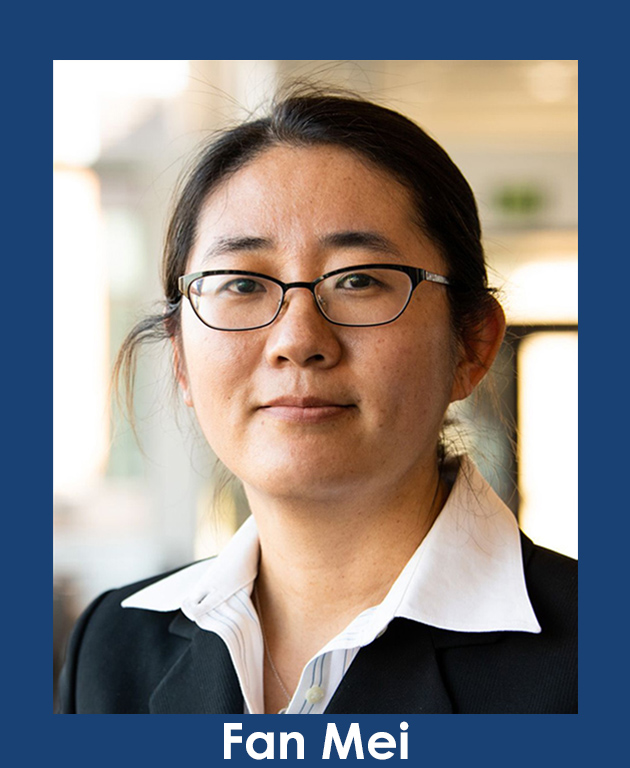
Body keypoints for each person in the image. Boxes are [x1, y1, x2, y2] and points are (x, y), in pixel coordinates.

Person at [57, 87, 577, 714]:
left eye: (358, 279)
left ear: (472, 344)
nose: (298, 341)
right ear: (180, 360)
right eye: (241, 283)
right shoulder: (113, 649)